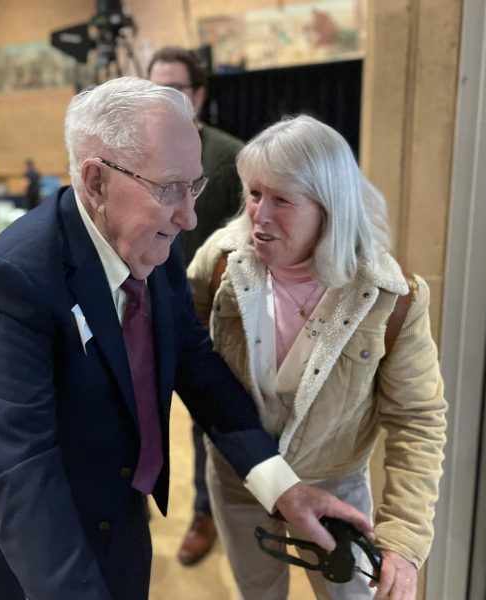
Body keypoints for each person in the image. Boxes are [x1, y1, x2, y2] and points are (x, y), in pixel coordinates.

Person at [0, 77, 373, 600]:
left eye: (194, 186)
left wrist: (282, 487)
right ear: (95, 183)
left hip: (117, 509)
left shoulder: (151, 241)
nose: (188, 217)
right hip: (20, 548)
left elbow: (194, 362)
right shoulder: (14, 277)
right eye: (170, 188)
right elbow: (18, 466)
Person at [187, 115, 448, 600]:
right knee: (258, 593)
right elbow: (189, 360)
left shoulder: (391, 299)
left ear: (330, 208)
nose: (259, 216)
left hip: (335, 486)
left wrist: (404, 542)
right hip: (240, 479)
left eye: (282, 200)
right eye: (255, 193)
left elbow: (419, 420)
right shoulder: (219, 263)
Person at [147, 45, 245, 566]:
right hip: (140, 311)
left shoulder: (230, 158)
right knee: (135, 407)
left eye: (177, 88)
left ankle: (204, 512)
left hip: (205, 318)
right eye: (155, 87)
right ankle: (132, 498)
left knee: (203, 420)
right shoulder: (137, 152)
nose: (166, 99)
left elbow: (250, 240)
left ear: (199, 93)